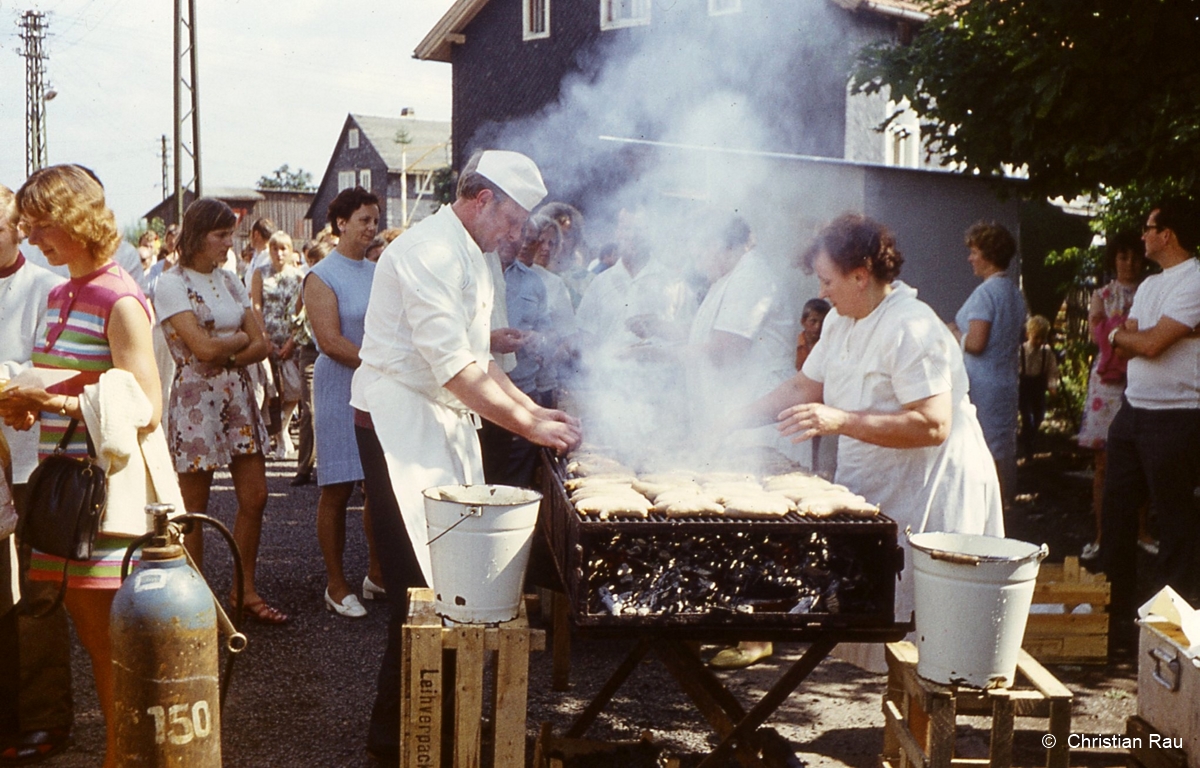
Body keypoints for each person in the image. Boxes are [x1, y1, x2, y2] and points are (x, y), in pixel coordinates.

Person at [350, 150, 581, 765]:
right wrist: (531, 427)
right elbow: (454, 369)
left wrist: (536, 415)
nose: (517, 236)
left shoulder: (478, 255)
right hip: (399, 423)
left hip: (444, 422)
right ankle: (397, 742)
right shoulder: (426, 251)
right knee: (420, 591)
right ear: (483, 200)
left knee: (453, 586)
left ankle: (440, 729)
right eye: (513, 221)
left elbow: (481, 361)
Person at [743, 213, 1003, 672]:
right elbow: (805, 387)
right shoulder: (845, 320)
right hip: (886, 478)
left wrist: (841, 419)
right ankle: (898, 732)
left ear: (860, 276)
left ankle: (918, 737)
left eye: (827, 280)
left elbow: (931, 425)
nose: (821, 291)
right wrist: (729, 419)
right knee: (887, 625)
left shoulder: (911, 327)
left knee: (927, 640)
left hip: (932, 486)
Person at [0, 164, 163, 768]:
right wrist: (28, 405)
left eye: (44, 225)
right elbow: (80, 379)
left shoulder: (117, 295)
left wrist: (50, 402)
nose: (35, 236)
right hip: (60, 489)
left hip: (99, 496)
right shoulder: (63, 290)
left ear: (76, 220)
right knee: (92, 638)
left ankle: (124, 757)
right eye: (29, 225)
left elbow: (146, 406)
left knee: (107, 646)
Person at [154, 198, 285, 624]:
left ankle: (243, 588)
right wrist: (231, 345)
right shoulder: (171, 283)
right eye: (222, 235)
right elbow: (202, 347)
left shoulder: (230, 280)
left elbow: (261, 343)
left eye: (231, 234)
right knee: (194, 507)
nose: (231, 243)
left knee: (256, 496)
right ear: (197, 236)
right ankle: (194, 599)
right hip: (195, 400)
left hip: (236, 393)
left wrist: (224, 354)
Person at [687, 214, 804, 669]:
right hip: (734, 417)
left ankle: (758, 635)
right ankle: (738, 623)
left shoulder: (752, 276)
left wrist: (668, 352)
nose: (698, 259)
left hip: (757, 416)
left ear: (723, 243)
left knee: (760, 526)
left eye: (702, 248)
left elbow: (727, 348)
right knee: (739, 525)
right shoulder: (729, 278)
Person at [1100, 199, 1200, 655]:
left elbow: (1153, 342)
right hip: (1133, 412)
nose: (1142, 236)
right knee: (1116, 514)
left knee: (1173, 519)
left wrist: (1125, 336)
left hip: (1178, 417)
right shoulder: (1149, 285)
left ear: (1169, 235)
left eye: (1148, 228)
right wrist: (1129, 337)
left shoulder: (1195, 280)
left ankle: (1169, 632)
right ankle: (1114, 617)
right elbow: (1131, 337)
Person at [0, 184, 71, 766]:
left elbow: (54, 370)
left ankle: (46, 718)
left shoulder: (47, 289)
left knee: (39, 591)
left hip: (29, 454)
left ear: (18, 229)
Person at [304, 187, 385, 617]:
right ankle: (336, 585)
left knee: (377, 485)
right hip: (341, 384)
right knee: (337, 487)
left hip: (377, 387)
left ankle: (376, 574)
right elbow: (331, 342)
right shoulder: (321, 275)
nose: (372, 228)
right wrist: (386, 362)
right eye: (364, 220)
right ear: (341, 224)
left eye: (375, 220)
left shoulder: (379, 270)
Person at [1077, 232, 1147, 561]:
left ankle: (1141, 531)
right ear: (1113, 259)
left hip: (1144, 379)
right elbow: (1101, 338)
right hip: (1107, 386)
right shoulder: (1102, 294)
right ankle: (1102, 534)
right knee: (1103, 463)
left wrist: (1121, 331)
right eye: (1122, 256)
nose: (1129, 263)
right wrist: (1125, 332)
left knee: (1143, 457)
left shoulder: (1151, 290)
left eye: (1134, 256)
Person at [949, 221, 1026, 502]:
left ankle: (985, 516)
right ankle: (1002, 513)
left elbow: (977, 342)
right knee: (998, 452)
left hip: (982, 385)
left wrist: (954, 333)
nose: (970, 257)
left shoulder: (986, 292)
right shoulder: (1014, 293)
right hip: (1005, 382)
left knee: (980, 453)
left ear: (989, 254)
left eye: (974, 251)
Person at [479, 215, 552, 488]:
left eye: (525, 236)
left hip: (523, 391)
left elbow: (548, 334)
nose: (517, 240)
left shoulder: (534, 282)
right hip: (483, 394)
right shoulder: (479, 271)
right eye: (513, 231)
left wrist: (537, 339)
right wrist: (490, 341)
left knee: (517, 485)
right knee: (484, 479)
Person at [252, 232, 304, 460]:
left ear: (291, 250)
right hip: (268, 340)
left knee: (294, 389)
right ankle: (274, 434)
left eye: (284, 249)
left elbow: (303, 310)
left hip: (291, 340)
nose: (279, 254)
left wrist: (292, 341)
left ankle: (282, 429)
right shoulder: (260, 273)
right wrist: (263, 338)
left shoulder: (298, 277)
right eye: (275, 249)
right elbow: (255, 305)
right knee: (271, 388)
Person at [290, 239, 332, 488]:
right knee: (309, 409)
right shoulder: (307, 283)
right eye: (311, 261)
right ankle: (304, 466)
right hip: (309, 350)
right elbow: (295, 315)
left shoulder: (336, 281)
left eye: (318, 261)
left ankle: (329, 465)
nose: (314, 266)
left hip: (333, 350)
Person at [1017, 315, 1059, 460]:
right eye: (1036, 338)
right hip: (1024, 388)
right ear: (1028, 334)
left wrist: (1052, 386)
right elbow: (1015, 371)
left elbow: (1052, 371)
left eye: (1043, 338)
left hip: (1038, 387)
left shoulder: (1046, 353)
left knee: (1039, 415)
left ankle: (1028, 436)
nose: (1039, 341)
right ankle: (1028, 450)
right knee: (1028, 418)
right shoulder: (1020, 351)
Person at [794, 298, 830, 371]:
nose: (818, 326)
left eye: (823, 322)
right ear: (803, 321)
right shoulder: (792, 344)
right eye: (813, 321)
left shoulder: (830, 345)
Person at [242, 217, 277, 290]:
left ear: (256, 234)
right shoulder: (256, 255)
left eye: (250, 233)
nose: (249, 237)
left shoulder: (271, 257)